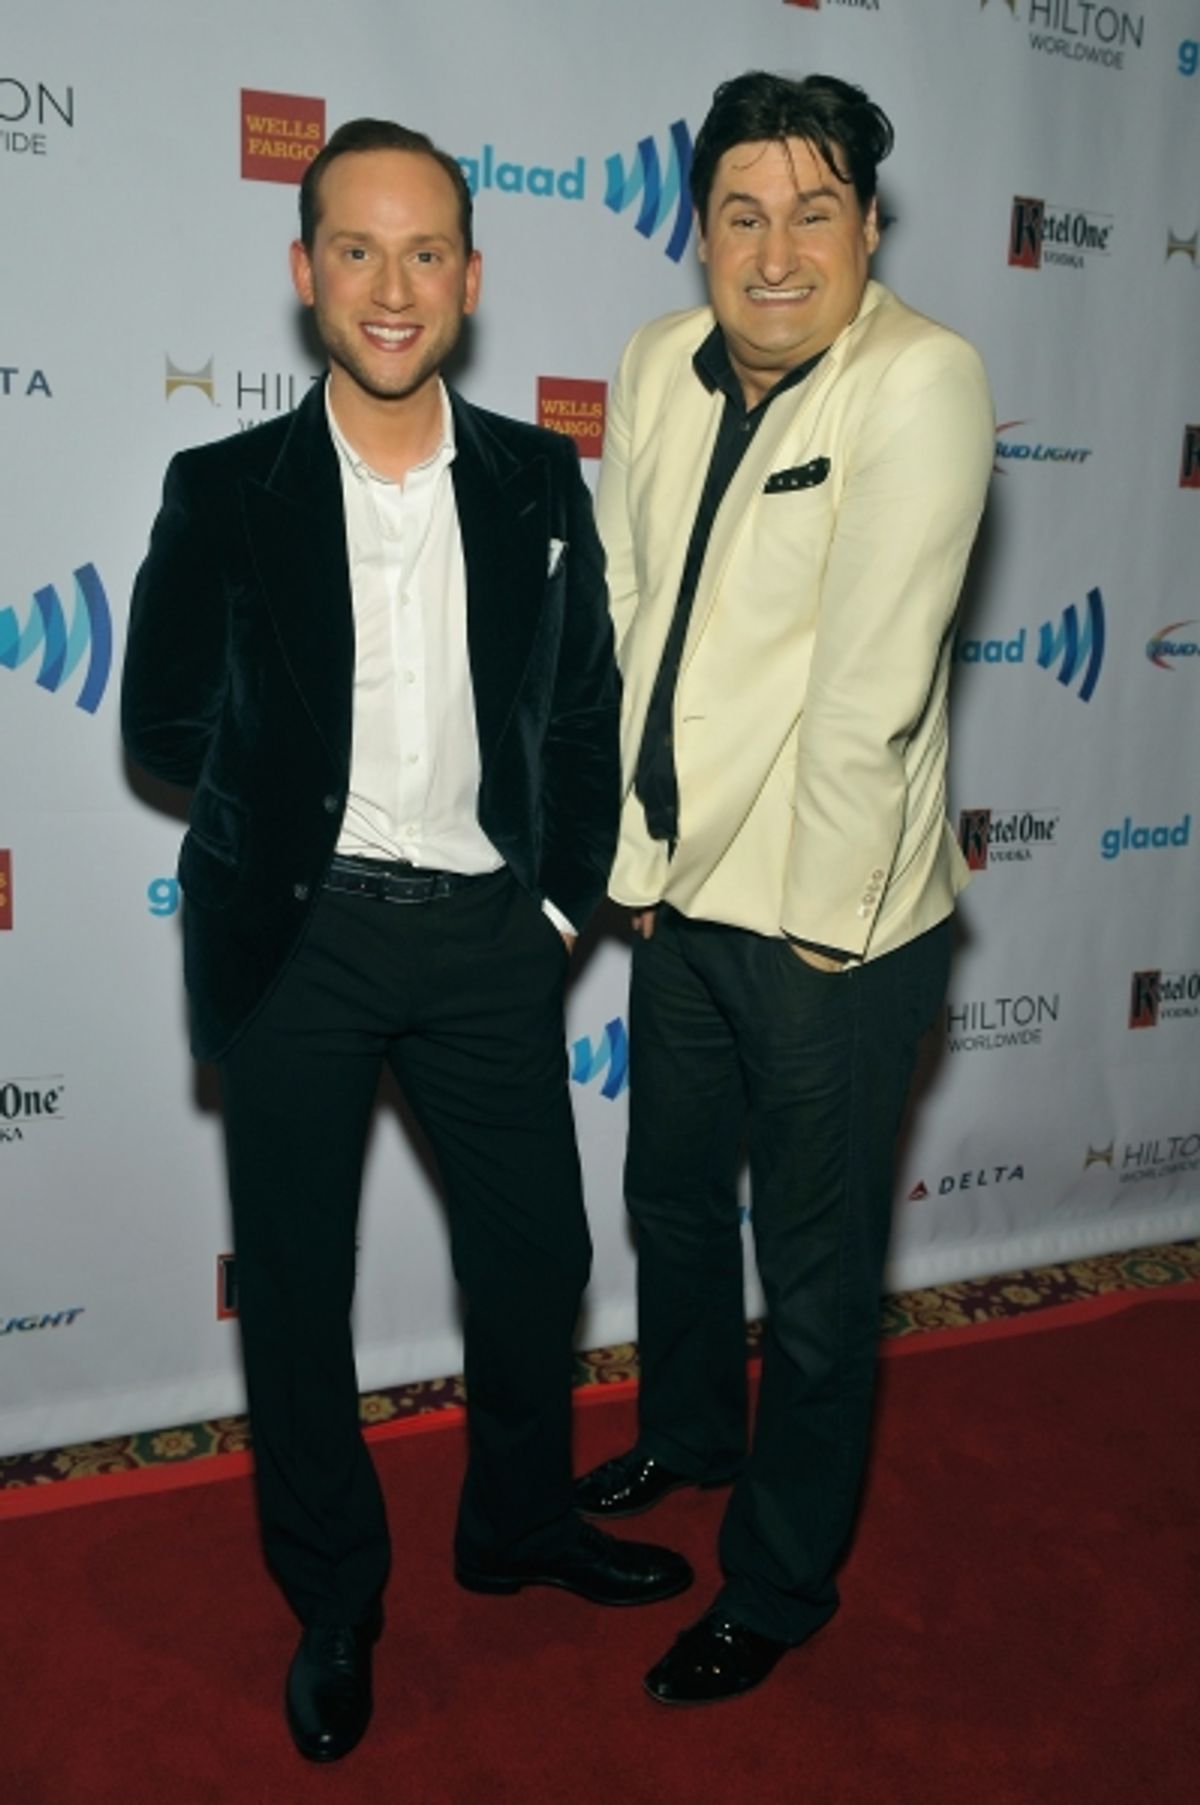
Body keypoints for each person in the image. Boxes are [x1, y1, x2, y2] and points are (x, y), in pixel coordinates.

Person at [122, 118, 691, 1764]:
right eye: (356, 251)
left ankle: (514, 1520)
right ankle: (337, 1597)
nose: (393, 285)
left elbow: (581, 711)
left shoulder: (534, 477)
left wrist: (565, 906)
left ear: (472, 280)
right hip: (298, 947)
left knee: (537, 1258)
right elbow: (162, 718)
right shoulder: (224, 488)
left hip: (486, 942)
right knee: (299, 1292)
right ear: (305, 276)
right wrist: (285, 818)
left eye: (425, 251)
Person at [574, 71, 993, 1705]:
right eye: (742, 212)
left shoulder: (923, 381)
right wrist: (641, 872)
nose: (775, 248)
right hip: (681, 895)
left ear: (868, 229)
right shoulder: (651, 369)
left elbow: (866, 695)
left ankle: (782, 1575)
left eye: (815, 211)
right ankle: (685, 1434)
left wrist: (812, 931)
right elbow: (622, 622)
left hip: (835, 922)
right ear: (701, 233)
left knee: (813, 1284)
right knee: (674, 1199)